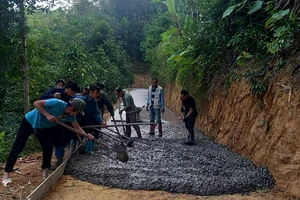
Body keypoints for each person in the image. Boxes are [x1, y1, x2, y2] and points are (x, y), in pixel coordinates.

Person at [2, 98, 94, 186]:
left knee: (48, 147)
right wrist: (47, 115)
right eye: (77, 112)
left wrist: (86, 135)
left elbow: (76, 127)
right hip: (30, 122)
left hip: (43, 128)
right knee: (18, 147)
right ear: (72, 108)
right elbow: (36, 103)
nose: (76, 114)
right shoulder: (57, 103)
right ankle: (7, 173)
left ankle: (45, 171)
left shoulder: (70, 116)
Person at [41, 79, 80, 167]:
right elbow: (42, 97)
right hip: (49, 121)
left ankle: (59, 161)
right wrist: (52, 96)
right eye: (73, 93)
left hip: (61, 122)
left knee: (60, 141)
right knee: (48, 144)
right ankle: (47, 164)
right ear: (69, 90)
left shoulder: (70, 98)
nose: (73, 95)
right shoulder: (56, 92)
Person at [74, 84, 107, 154]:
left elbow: (96, 113)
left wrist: (102, 122)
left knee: (89, 134)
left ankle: (88, 150)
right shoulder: (82, 99)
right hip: (77, 121)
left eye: (98, 93)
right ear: (91, 92)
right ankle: (72, 152)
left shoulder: (94, 102)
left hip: (87, 121)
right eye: (96, 93)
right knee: (75, 137)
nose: (98, 95)